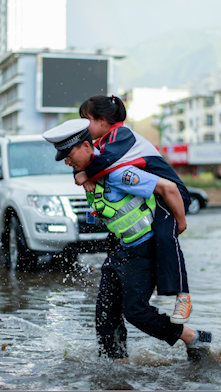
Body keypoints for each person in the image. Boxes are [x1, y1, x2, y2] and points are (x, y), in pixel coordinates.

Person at [42, 119, 212, 362]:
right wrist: (81, 173)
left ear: (87, 148)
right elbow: (91, 176)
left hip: (145, 248)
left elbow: (168, 188)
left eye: (69, 155)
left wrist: (180, 224)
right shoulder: (89, 170)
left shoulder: (119, 173)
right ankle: (117, 365)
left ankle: (193, 336)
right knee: (105, 312)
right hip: (122, 248)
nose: (68, 162)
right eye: (64, 158)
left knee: (135, 311)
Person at [75, 95, 192, 325]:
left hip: (171, 194)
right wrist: (80, 172)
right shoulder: (102, 141)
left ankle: (183, 296)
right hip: (154, 194)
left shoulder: (121, 135)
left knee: (165, 236)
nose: (82, 126)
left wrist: (181, 219)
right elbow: (84, 159)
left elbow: (101, 162)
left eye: (84, 119)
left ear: (102, 120)